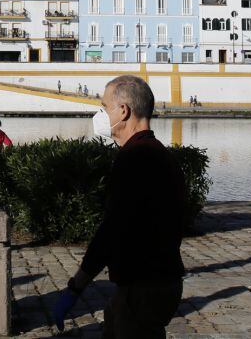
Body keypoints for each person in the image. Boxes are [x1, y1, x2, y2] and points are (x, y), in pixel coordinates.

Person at [52, 75, 185, 338]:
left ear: (123, 111)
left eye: (104, 107)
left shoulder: (135, 158)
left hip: (143, 286)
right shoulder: (158, 154)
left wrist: (76, 286)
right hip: (155, 282)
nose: (100, 114)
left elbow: (113, 229)